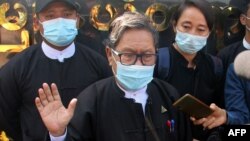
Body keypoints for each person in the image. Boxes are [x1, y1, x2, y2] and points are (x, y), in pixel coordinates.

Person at [35, 11, 192, 141]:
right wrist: (58, 135)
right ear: (110, 55)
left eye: (147, 55)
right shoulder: (91, 102)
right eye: (128, 55)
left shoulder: (169, 95)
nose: (138, 63)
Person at [0, 0, 112, 141]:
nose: (60, 21)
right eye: (50, 16)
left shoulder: (99, 64)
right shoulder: (16, 68)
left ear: (77, 19)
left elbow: (108, 113)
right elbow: (6, 117)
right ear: (36, 22)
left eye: (66, 15)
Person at [154, 0, 224, 140]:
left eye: (201, 29)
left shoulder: (215, 66)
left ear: (209, 32)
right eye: (186, 26)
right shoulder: (157, 61)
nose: (192, 34)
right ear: (174, 26)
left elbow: (220, 111)